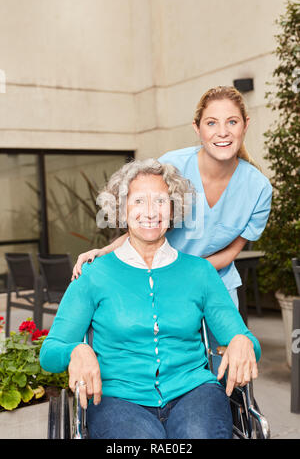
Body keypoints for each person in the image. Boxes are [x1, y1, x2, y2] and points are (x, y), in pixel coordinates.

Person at [40, 159, 261, 439]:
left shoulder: (200, 272)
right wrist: (75, 351)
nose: (150, 212)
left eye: (160, 201)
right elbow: (50, 352)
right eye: (139, 201)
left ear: (173, 208)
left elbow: (246, 341)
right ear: (122, 209)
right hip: (115, 399)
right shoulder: (93, 276)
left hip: (195, 393)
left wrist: (243, 342)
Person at [71, 86, 272, 311]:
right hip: (162, 283)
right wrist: (102, 253)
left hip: (216, 285)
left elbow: (230, 253)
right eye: (212, 123)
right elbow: (142, 225)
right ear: (197, 128)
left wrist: (185, 272)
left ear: (245, 124)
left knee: (230, 345)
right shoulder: (171, 167)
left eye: (232, 122)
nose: (223, 132)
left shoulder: (259, 189)